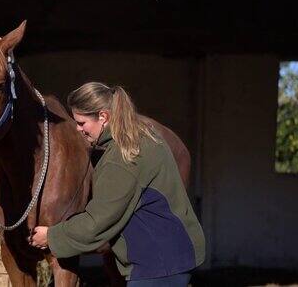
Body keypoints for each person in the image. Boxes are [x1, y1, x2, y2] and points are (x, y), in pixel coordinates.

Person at [29, 82, 205, 286]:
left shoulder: (121, 159)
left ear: (103, 117)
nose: (78, 130)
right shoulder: (143, 137)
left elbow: (99, 220)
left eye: (82, 122)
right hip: (171, 257)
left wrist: (51, 236)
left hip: (156, 265)